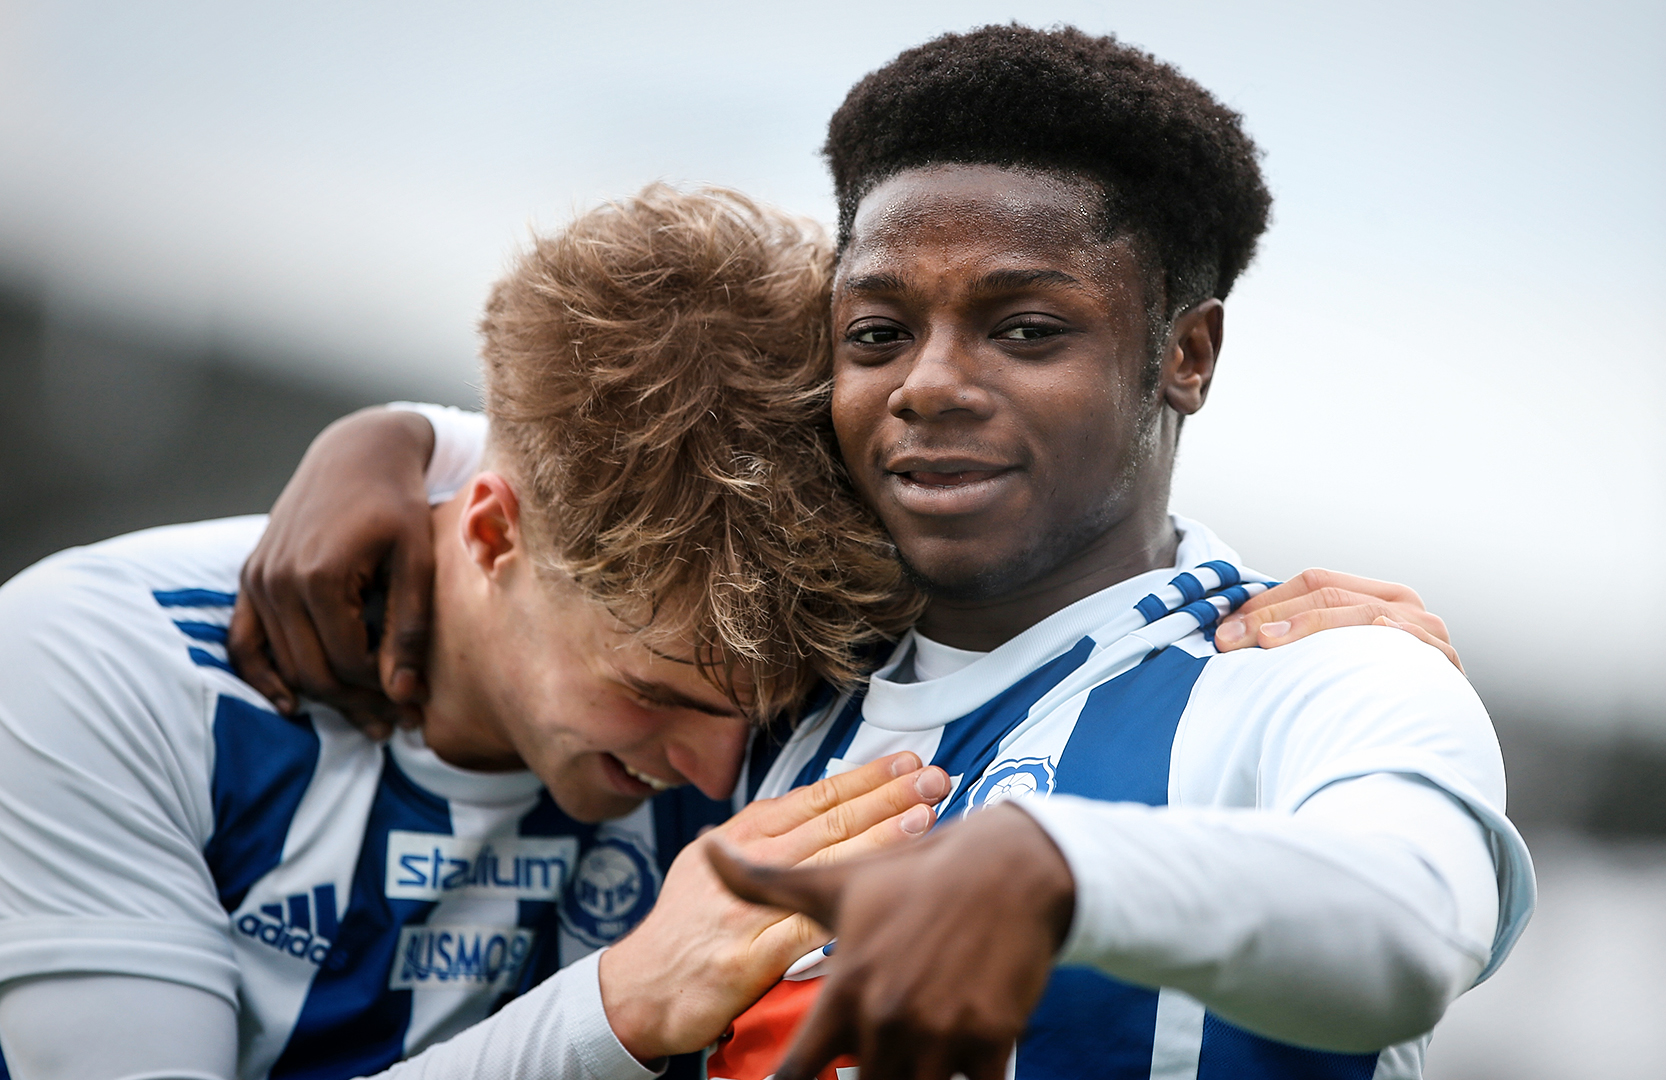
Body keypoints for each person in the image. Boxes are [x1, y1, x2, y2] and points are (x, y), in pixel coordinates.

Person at [223, 28, 1518, 1080]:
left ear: (1186, 354)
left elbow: (1411, 925)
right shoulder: (759, 690)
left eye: (1025, 329)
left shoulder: (1317, 674)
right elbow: (591, 459)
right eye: (879, 333)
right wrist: (393, 445)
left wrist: (1057, 870)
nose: (929, 384)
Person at [0, 187, 958, 1080]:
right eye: (651, 694)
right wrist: (616, 1007)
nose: (718, 779)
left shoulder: (739, 623)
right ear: (492, 534)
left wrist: (407, 433)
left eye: (761, 711)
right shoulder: (101, 664)